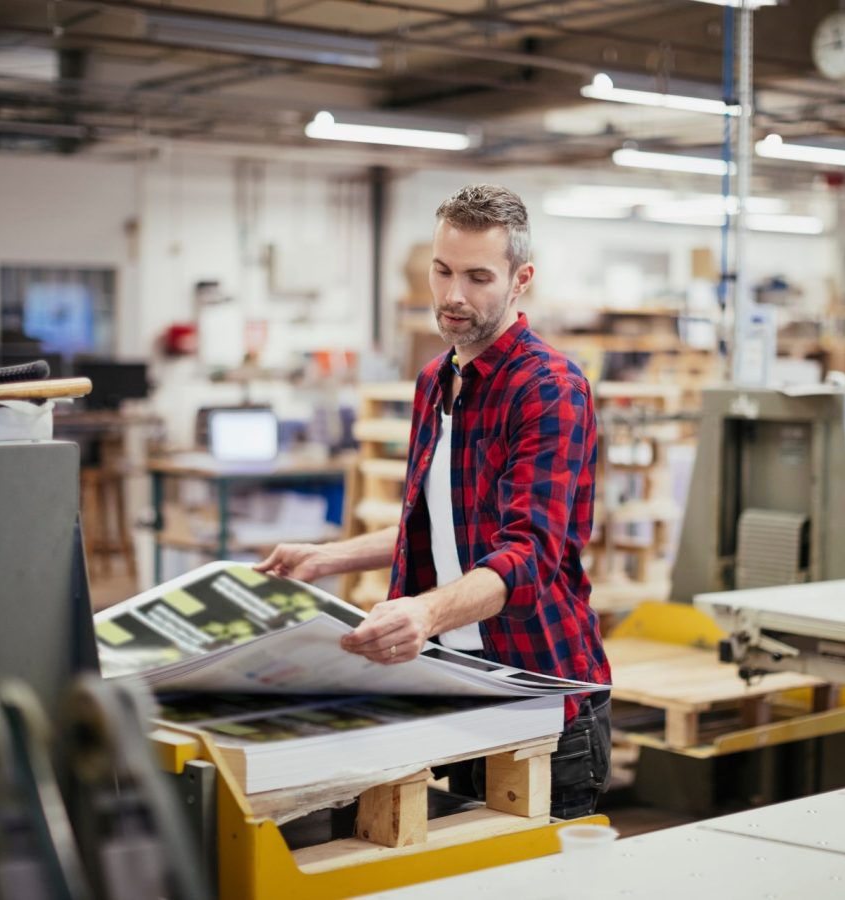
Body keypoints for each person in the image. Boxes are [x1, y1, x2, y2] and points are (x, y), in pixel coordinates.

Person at [256, 184, 611, 819]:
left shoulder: (550, 389)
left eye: (478, 277)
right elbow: (437, 521)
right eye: (443, 271)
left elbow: (525, 557)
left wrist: (422, 614)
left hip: (540, 700)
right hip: (455, 686)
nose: (453, 295)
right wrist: (329, 557)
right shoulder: (436, 380)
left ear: (520, 279)